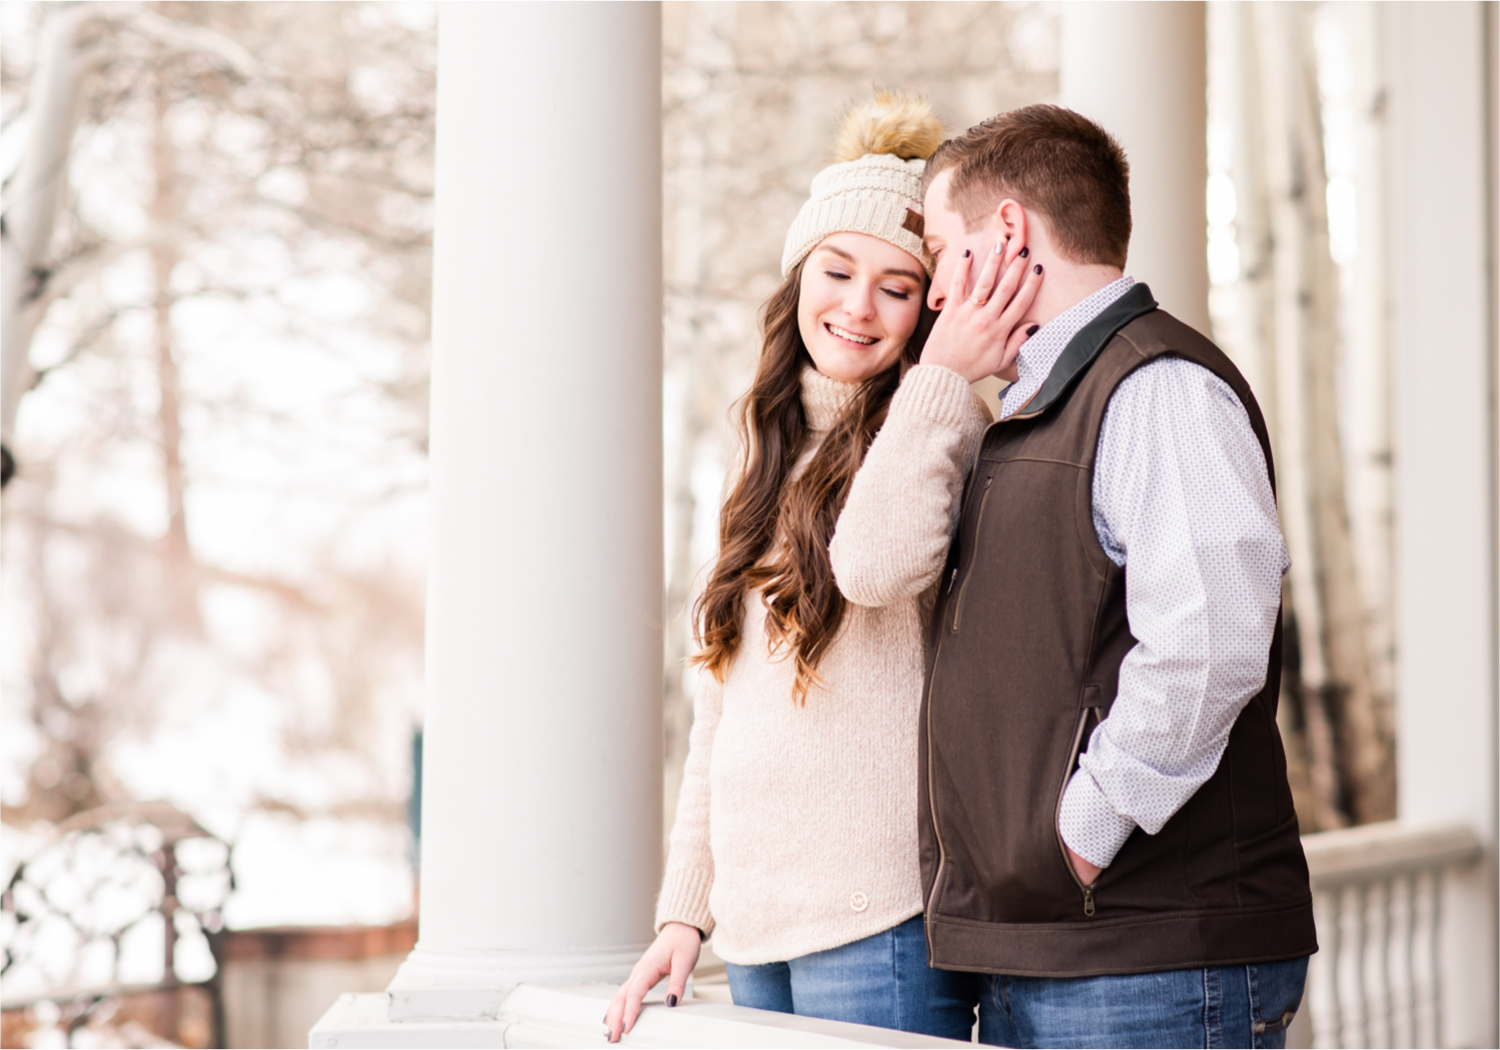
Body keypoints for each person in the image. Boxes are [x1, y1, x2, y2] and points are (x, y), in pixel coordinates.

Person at [848, 102, 1317, 1049]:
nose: (935, 293)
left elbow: (1211, 641)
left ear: (1010, 232)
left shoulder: (1156, 387)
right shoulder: (1037, 407)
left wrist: (1078, 841)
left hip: (1147, 954)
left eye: (940, 250)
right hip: (1060, 945)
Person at [603, 93, 1041, 1044]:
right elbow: (722, 695)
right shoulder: (760, 441)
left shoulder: (940, 425)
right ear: (799, 276)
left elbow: (875, 570)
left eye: (895, 284)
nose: (856, 306)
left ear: (931, 302)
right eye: (837, 271)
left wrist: (939, 379)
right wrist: (687, 907)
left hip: (878, 912)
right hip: (757, 920)